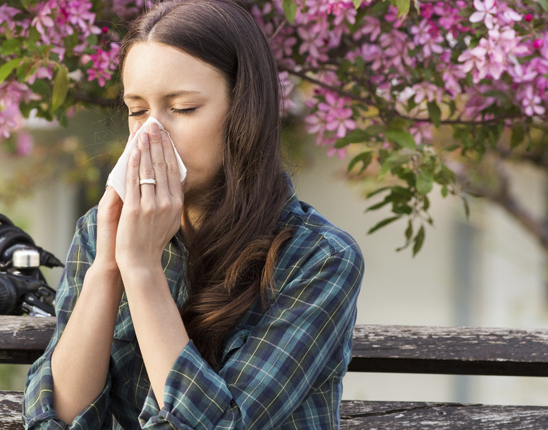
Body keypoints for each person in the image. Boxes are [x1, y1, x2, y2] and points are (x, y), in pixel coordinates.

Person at [23, 0, 364, 428]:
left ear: (245, 111)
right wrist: (109, 266)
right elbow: (57, 419)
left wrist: (142, 269)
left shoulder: (319, 257)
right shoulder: (101, 231)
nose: (152, 133)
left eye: (182, 108)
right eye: (137, 110)